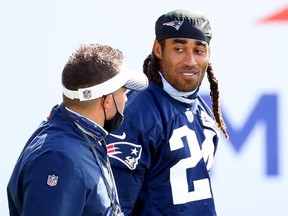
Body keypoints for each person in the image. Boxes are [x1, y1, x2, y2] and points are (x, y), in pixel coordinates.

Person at [105, 9, 229, 216]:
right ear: (158, 49)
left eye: (199, 51)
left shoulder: (201, 110)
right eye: (179, 49)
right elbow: (116, 207)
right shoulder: (138, 113)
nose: (190, 61)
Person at [7, 43, 148, 216]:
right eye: (124, 92)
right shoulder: (59, 160)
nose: (126, 100)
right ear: (107, 102)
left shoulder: (81, 132)